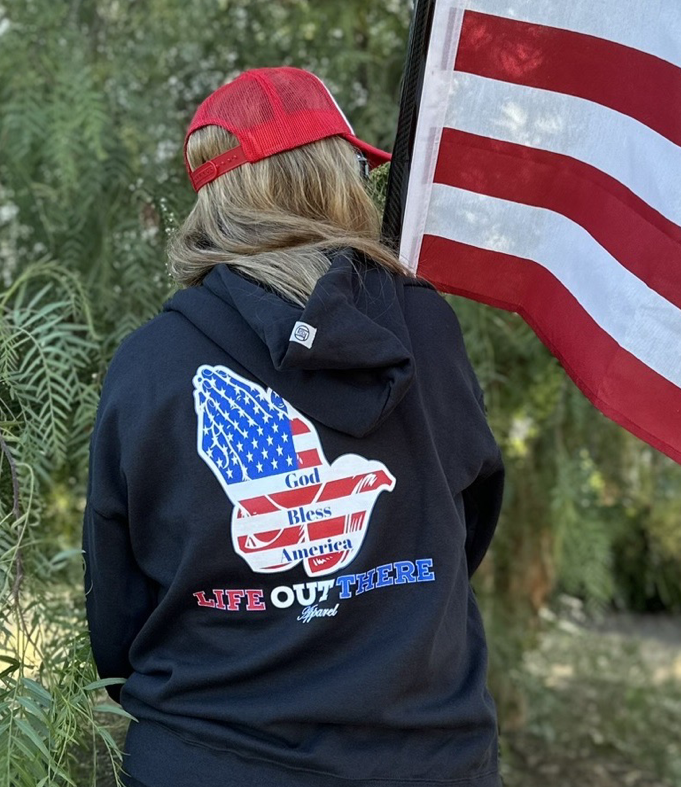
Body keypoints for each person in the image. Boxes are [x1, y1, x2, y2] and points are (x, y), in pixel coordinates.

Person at [83, 66, 505, 787]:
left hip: (207, 758)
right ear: (335, 179)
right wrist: (385, 610)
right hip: (423, 756)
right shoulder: (423, 326)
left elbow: (116, 605)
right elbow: (466, 523)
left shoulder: (150, 364)